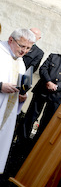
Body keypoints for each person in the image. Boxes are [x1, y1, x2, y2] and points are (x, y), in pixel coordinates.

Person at [21, 41, 61, 140]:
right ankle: (21, 141)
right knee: (31, 116)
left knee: (46, 122)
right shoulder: (54, 56)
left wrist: (57, 86)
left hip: (56, 97)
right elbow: (43, 69)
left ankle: (35, 145)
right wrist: (48, 81)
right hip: (42, 91)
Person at [0, 29, 35, 174]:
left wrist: (22, 97)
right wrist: (0, 86)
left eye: (28, 48)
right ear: (10, 40)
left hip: (6, 113)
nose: (24, 51)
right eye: (22, 46)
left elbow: (21, 87)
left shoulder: (21, 63)